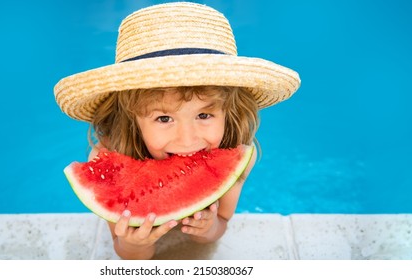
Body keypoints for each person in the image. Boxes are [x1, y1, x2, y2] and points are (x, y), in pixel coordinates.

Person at [54, 2, 300, 259]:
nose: (187, 139)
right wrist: (134, 245)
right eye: (163, 118)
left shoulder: (235, 155)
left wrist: (209, 228)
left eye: (204, 115)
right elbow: (127, 254)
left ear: (230, 112)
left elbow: (222, 224)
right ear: (131, 118)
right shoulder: (107, 159)